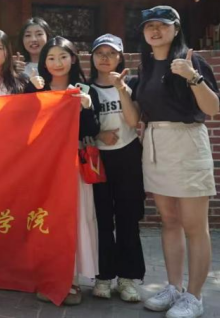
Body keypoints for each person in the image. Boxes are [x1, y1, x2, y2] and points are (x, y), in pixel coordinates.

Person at [135, 6, 220, 318]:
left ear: (176, 29)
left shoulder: (191, 61)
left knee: (194, 225)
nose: (155, 31)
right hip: (156, 144)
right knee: (169, 220)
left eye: (162, 25)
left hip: (187, 143)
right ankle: (174, 287)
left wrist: (193, 77)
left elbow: (213, 108)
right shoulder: (146, 65)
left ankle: (194, 296)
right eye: (150, 26)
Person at [35, 36, 100, 306]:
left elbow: (92, 130)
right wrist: (33, 94)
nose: (57, 63)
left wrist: (86, 107)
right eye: (51, 58)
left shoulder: (84, 90)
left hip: (73, 164)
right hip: (43, 166)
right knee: (46, 219)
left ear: (73, 58)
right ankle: (47, 275)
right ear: (44, 62)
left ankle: (70, 279)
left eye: (63, 56)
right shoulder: (37, 89)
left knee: (72, 218)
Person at [88, 34, 146, 302]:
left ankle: (127, 278)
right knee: (101, 218)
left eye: (111, 53)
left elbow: (134, 121)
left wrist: (121, 88)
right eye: (100, 53)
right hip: (98, 159)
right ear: (92, 57)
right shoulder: (85, 89)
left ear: (120, 57)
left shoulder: (131, 83)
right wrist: (99, 135)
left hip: (128, 155)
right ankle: (103, 276)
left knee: (127, 218)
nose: (105, 58)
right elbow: (82, 126)